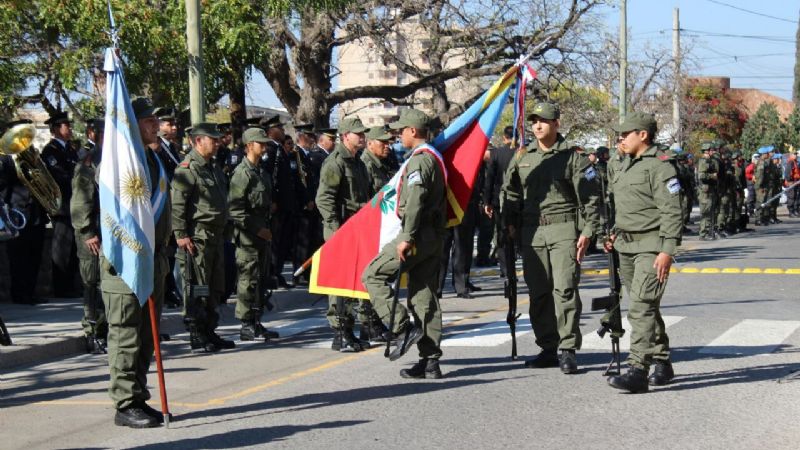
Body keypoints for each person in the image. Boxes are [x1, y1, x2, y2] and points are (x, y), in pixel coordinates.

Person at [501, 102, 601, 374]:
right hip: (532, 232)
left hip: (564, 229)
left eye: (544, 120)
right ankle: (548, 346)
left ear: (557, 123)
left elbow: (591, 199)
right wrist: (508, 223)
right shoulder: (523, 156)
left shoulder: (573, 157)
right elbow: (509, 192)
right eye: (534, 120)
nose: (537, 125)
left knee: (565, 289)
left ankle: (567, 348)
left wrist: (588, 233)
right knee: (538, 293)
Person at [100, 98, 172, 427]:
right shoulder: (116, 162)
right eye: (147, 121)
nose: (154, 126)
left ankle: (138, 396)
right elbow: (100, 209)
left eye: (155, 121)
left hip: (153, 261)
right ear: (131, 124)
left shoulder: (153, 159)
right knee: (127, 334)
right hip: (126, 262)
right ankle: (125, 402)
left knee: (146, 336)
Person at [362, 108, 447, 379]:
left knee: (372, 275)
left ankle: (400, 326)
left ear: (413, 131)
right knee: (424, 297)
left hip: (416, 235)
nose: (398, 135)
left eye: (401, 130)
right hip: (431, 236)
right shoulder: (431, 157)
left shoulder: (420, 161)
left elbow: (415, 202)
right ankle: (430, 361)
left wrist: (407, 237)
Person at [605, 112, 682, 393]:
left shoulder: (661, 166)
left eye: (626, 134)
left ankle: (638, 369)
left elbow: (673, 211)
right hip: (625, 245)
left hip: (651, 246)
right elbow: (624, 204)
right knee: (646, 305)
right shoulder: (624, 164)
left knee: (640, 306)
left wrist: (667, 250)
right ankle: (662, 360)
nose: (620, 138)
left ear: (643, 135)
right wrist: (614, 230)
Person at [172, 122, 235, 353]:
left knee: (215, 286)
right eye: (213, 139)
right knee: (198, 287)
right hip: (197, 239)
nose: (217, 143)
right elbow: (178, 205)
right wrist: (181, 235)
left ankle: (210, 330)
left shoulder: (213, 168)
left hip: (216, 237)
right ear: (199, 141)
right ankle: (197, 333)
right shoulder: (187, 169)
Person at [316, 117, 374, 352]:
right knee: (340, 283)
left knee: (354, 281)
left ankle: (349, 328)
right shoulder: (335, 162)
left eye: (362, 133)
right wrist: (335, 228)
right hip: (341, 230)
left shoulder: (358, 163)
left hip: (356, 229)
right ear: (345, 135)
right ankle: (340, 331)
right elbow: (324, 198)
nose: (362, 137)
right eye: (357, 133)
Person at [228, 127, 280, 341]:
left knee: (260, 279)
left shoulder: (261, 171)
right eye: (261, 143)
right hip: (249, 237)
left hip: (263, 236)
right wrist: (258, 230)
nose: (264, 146)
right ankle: (246, 323)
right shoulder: (242, 174)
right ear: (249, 146)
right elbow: (235, 211)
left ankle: (257, 320)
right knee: (248, 280)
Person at [0, 119, 48, 304]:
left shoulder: (32, 155)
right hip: (16, 212)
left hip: (35, 212)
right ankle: (19, 294)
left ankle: (31, 291)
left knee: (34, 254)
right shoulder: (4, 157)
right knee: (18, 256)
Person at [70, 118, 106, 354]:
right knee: (92, 283)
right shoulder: (88, 163)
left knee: (107, 284)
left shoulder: (112, 160)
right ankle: (92, 331)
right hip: (92, 233)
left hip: (109, 231)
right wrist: (88, 232)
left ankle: (106, 328)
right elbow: (81, 202)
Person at [41, 111, 81, 297]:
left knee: (73, 249)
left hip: (74, 205)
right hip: (62, 207)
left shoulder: (70, 150)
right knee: (62, 250)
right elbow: (59, 175)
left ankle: (70, 286)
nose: (70, 128)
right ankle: (61, 288)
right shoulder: (50, 151)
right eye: (66, 125)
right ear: (56, 129)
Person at [482, 126, 516, 277]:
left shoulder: (496, 154)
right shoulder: (524, 153)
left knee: (502, 234)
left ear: (504, 137)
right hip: (520, 200)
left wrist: (486, 202)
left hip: (499, 201)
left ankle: (505, 268)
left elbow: (489, 180)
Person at [696, 142, 720, 239]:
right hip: (705, 190)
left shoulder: (710, 160)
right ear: (707, 151)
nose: (713, 152)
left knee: (711, 211)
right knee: (705, 212)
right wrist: (712, 176)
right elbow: (701, 176)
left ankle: (709, 232)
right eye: (711, 150)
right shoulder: (703, 161)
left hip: (710, 189)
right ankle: (703, 233)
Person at [784, 152, 800, 217]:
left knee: (796, 196)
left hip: (796, 181)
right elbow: (787, 172)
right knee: (791, 197)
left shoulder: (795, 162)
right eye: (794, 154)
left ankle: (795, 210)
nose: (795, 156)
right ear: (791, 155)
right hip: (791, 182)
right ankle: (791, 212)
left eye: (796, 154)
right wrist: (789, 181)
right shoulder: (790, 162)